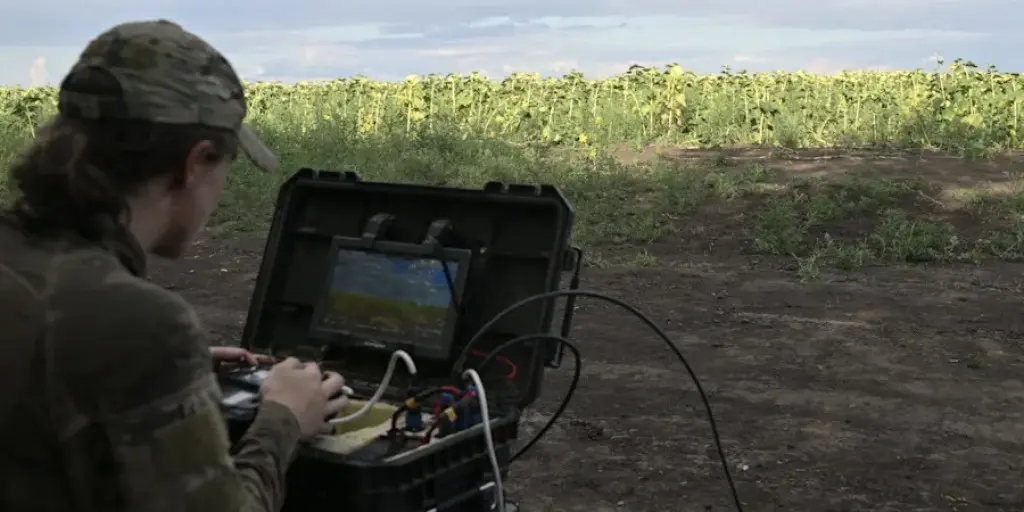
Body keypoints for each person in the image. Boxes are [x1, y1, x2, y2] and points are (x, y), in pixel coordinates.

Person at [0, 20, 348, 511]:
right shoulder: (139, 322)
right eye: (225, 166)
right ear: (195, 163)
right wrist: (284, 417)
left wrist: (161, 372)